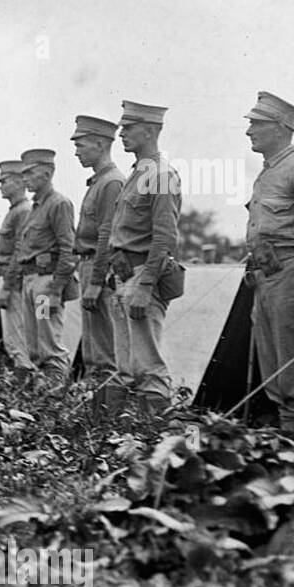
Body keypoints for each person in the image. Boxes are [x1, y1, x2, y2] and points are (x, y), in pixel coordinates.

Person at [243, 90, 294, 430]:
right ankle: (289, 456)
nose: (249, 131)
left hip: (292, 277)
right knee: (274, 377)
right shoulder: (268, 173)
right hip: (266, 278)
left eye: (256, 124)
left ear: (280, 128)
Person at [106, 100, 184, 410]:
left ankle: (153, 442)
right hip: (124, 276)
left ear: (150, 131)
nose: (122, 134)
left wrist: (146, 285)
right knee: (127, 368)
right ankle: (128, 438)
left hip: (141, 277)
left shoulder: (161, 175)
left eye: (129, 128)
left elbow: (165, 235)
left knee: (149, 367)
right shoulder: (138, 173)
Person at [12, 149, 76, 381]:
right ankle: (44, 397)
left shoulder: (59, 204)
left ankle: (55, 396)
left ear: (47, 173)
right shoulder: (37, 207)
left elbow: (68, 250)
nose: (25, 178)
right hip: (32, 282)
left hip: (45, 283)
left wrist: (55, 288)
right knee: (35, 347)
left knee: (49, 345)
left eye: (30, 173)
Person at [71, 114, 126, 377]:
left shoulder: (110, 182)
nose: (76, 152)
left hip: (54, 282)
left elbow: (106, 234)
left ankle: (106, 413)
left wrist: (95, 279)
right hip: (75, 272)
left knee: (102, 350)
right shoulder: (98, 182)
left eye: (81, 145)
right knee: (92, 349)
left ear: (101, 145)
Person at [0, 161, 32, 370]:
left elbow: (19, 251)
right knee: (12, 340)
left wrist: (7, 287)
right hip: (11, 280)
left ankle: (26, 395)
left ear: (18, 182)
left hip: (15, 283)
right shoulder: (16, 211)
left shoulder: (23, 211)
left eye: (4, 181)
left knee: (18, 340)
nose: (0, 185)